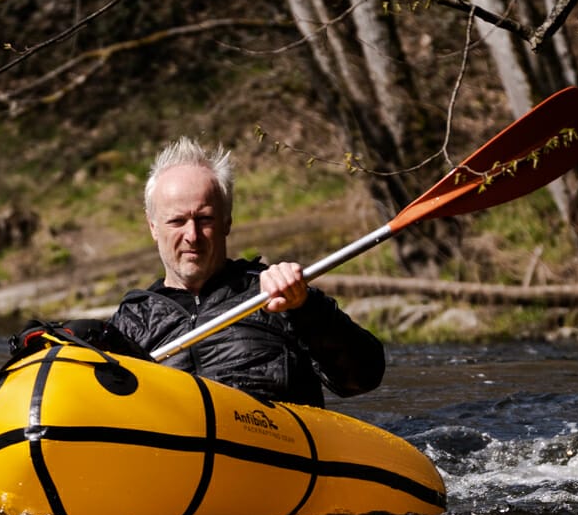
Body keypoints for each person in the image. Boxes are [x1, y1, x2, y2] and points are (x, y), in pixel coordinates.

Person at [88, 138, 385, 406]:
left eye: (204, 219)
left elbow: (363, 378)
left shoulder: (275, 294)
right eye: (177, 222)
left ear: (227, 221)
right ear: (153, 226)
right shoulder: (131, 324)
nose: (192, 235)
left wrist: (306, 307)